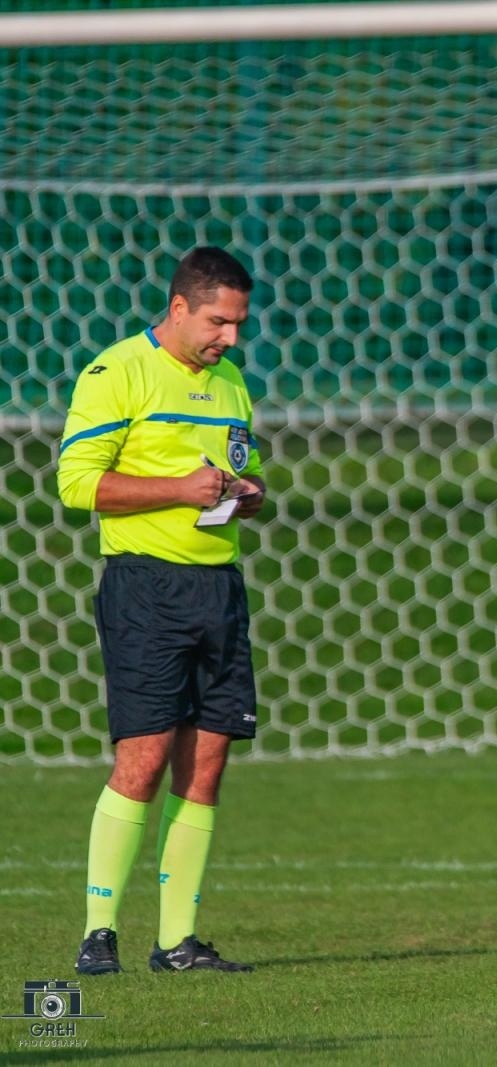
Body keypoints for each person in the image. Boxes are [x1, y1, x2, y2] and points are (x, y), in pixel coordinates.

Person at [57, 246, 267, 976]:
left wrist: (246, 489)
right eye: (218, 322)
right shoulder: (116, 372)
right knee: (141, 763)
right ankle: (98, 931)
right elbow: (77, 485)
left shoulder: (232, 382)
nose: (230, 339)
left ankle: (178, 940)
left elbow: (236, 465)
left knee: (206, 769)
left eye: (238, 324)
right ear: (178, 307)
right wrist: (178, 489)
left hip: (219, 588)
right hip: (146, 588)